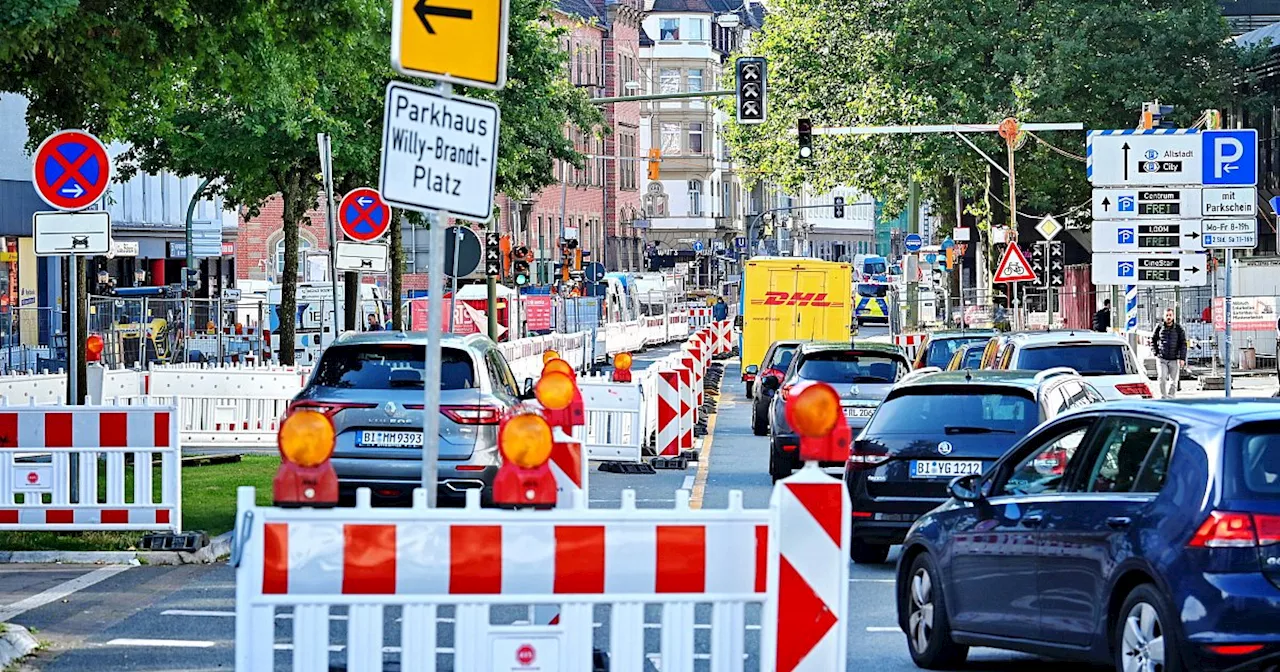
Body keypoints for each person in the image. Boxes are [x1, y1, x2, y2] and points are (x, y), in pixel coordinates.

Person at [1152, 307, 1187, 399]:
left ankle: (1171, 397)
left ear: (1173, 316)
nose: (1168, 317)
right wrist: (1155, 352)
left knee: (1173, 381)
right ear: (1163, 316)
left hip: (1174, 358)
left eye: (1170, 315)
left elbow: (1183, 343)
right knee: (1162, 378)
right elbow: (1153, 340)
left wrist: (1182, 358)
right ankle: (1163, 396)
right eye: (1167, 315)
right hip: (1162, 358)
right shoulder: (1159, 327)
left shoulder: (1178, 329)